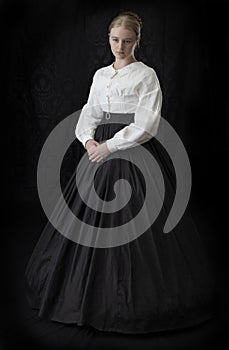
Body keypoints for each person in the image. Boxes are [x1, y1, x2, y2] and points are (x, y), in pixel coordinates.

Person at [24, 11, 216, 334]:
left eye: (127, 41)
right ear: (108, 39)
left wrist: (110, 146)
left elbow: (147, 123)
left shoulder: (146, 75)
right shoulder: (100, 76)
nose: (120, 46)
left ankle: (133, 304)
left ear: (137, 41)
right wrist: (88, 140)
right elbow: (91, 112)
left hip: (134, 150)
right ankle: (81, 297)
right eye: (115, 40)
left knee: (144, 229)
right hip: (98, 152)